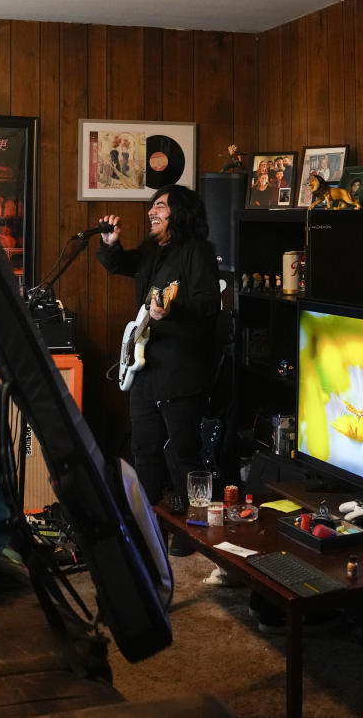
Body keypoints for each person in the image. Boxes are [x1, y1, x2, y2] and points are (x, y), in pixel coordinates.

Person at [96, 185, 221, 535]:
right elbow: (121, 263)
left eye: (161, 207)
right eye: (152, 206)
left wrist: (172, 311)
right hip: (146, 369)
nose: (152, 211)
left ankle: (196, 532)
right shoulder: (153, 250)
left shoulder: (197, 252)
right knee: (144, 448)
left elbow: (209, 306)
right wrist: (109, 243)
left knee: (184, 454)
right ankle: (146, 526)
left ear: (180, 213)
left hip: (181, 371)